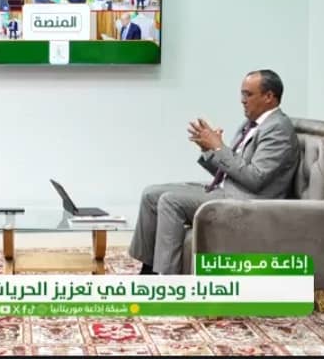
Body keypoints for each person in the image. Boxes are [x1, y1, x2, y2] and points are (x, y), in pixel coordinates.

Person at [128, 70, 300, 275]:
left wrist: (219, 147)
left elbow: (255, 178)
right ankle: (147, 271)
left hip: (249, 202)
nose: (242, 100)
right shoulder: (251, 125)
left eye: (248, 94)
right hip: (228, 189)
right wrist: (209, 150)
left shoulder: (278, 129)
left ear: (269, 96)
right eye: (242, 94)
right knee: (151, 194)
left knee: (170, 201)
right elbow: (231, 170)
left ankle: (167, 280)